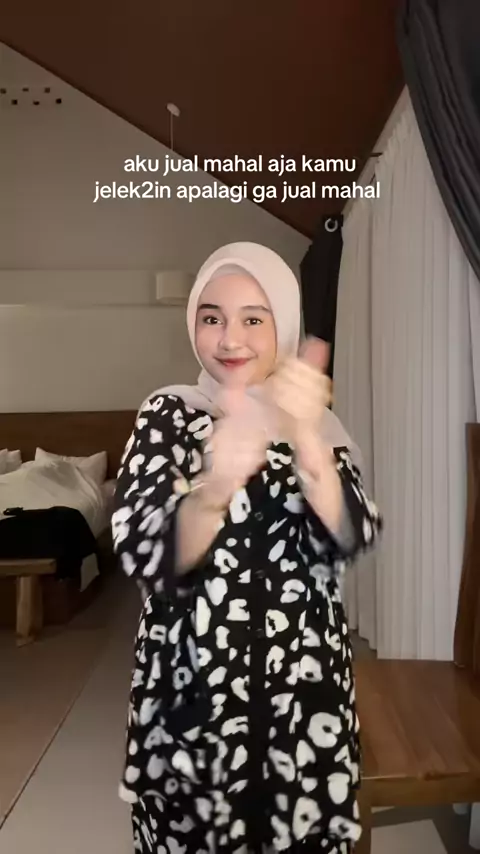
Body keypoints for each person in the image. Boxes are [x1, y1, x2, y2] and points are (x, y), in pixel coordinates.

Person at [112, 241, 382, 854]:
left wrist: (306, 443)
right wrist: (215, 487)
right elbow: (142, 549)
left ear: (282, 325)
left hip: (302, 688)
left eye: (253, 319)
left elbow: (349, 535)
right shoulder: (169, 415)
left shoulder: (314, 421)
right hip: (192, 693)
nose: (230, 338)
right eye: (212, 317)